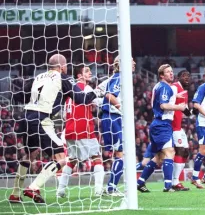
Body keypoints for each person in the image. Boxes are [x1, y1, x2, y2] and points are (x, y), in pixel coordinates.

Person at [8, 54, 103, 203]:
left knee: (30, 156)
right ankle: (33, 188)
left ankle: (15, 193)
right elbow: (80, 99)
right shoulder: (63, 78)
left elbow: (20, 96)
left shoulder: (38, 77)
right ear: (61, 67)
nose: (66, 68)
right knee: (61, 157)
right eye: (65, 66)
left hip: (26, 119)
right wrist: (96, 92)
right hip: (42, 119)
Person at [137, 64, 189, 193]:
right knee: (170, 152)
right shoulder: (165, 87)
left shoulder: (158, 86)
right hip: (162, 124)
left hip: (157, 124)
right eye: (168, 72)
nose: (171, 74)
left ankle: (140, 182)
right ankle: (168, 186)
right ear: (161, 75)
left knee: (159, 157)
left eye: (172, 71)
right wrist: (179, 107)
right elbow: (163, 105)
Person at [56, 64, 105, 198]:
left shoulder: (69, 91)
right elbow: (98, 103)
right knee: (97, 158)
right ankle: (98, 189)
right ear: (79, 76)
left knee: (72, 160)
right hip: (84, 128)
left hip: (70, 129)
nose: (90, 73)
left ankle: (60, 190)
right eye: (87, 71)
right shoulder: (87, 88)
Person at [101, 56, 136, 196]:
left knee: (119, 153)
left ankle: (111, 186)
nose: (133, 63)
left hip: (111, 117)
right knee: (120, 153)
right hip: (113, 117)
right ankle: (111, 187)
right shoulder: (119, 77)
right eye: (130, 60)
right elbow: (109, 95)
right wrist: (122, 108)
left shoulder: (118, 78)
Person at [171, 70, 191, 191]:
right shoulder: (174, 87)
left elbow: (185, 109)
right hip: (172, 126)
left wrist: (193, 112)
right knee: (180, 150)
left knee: (185, 152)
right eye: (184, 76)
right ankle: (174, 182)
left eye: (188, 76)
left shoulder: (185, 91)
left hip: (179, 127)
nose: (187, 78)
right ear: (178, 78)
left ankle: (175, 180)